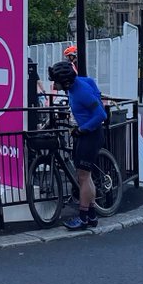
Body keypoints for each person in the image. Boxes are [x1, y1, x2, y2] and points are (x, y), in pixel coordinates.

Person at [48, 60, 108, 231]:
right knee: (84, 176)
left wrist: (83, 128)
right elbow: (94, 86)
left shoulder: (81, 92)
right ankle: (91, 215)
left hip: (90, 134)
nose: (54, 84)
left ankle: (83, 218)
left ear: (65, 82)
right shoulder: (81, 82)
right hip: (87, 133)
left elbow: (101, 114)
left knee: (84, 177)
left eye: (56, 81)